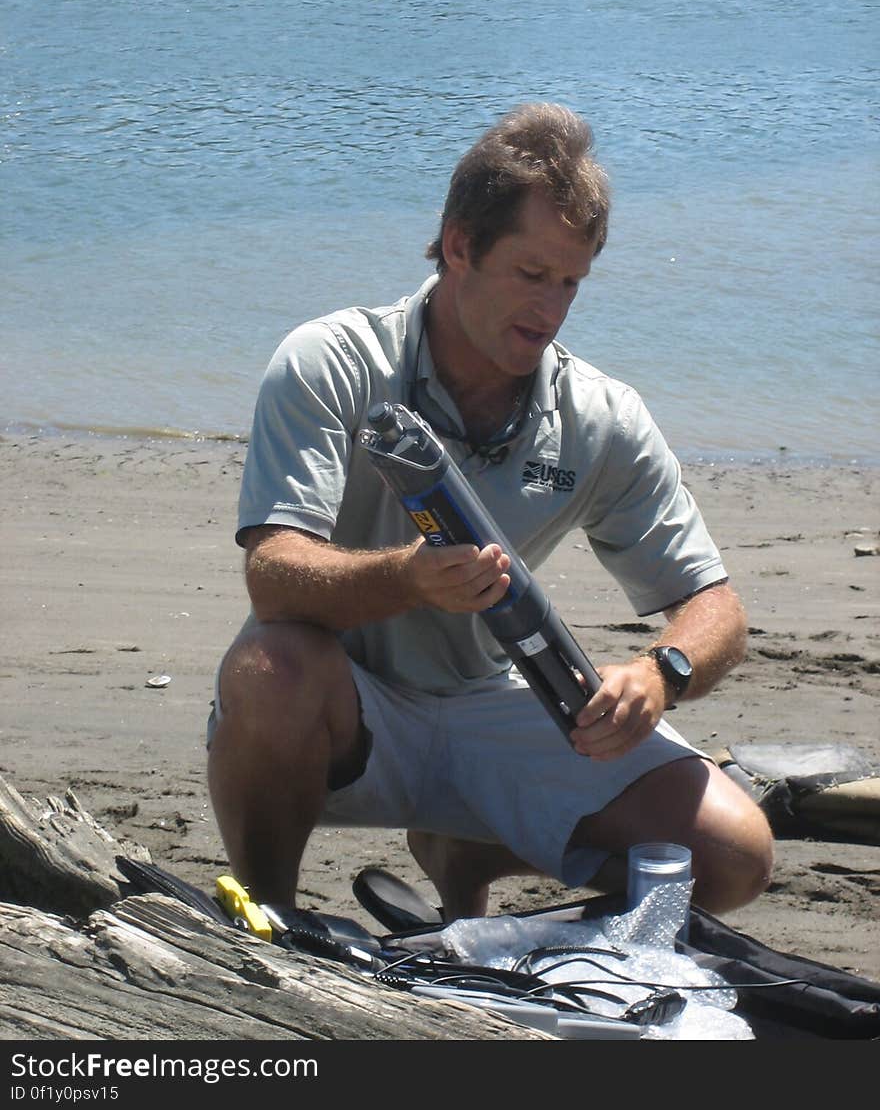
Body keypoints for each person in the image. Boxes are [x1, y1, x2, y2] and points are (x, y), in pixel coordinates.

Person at [207, 102, 774, 921]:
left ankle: (475, 864)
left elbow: (716, 609)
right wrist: (409, 577)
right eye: (532, 275)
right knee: (271, 666)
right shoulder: (330, 359)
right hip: (345, 705)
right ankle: (267, 919)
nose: (551, 309)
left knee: (733, 859)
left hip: (490, 700)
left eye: (571, 282)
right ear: (460, 246)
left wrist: (662, 673)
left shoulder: (600, 416)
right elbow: (274, 576)